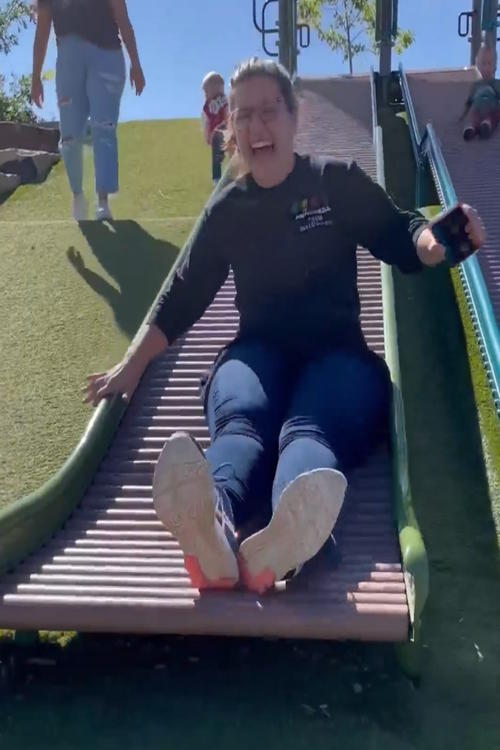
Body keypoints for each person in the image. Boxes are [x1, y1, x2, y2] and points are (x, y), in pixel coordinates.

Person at [85, 58, 485, 595]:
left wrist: (434, 242)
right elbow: (185, 292)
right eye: (242, 115)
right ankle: (217, 530)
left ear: (294, 119)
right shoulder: (229, 207)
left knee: (308, 426)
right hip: (258, 354)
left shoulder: (333, 181)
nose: (255, 127)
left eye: (268, 111)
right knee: (242, 423)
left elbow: (399, 233)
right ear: (231, 132)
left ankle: (290, 537)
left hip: (337, 357)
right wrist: (130, 368)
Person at [30, 0, 146, 221]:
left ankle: (102, 202)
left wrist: (136, 64)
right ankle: (77, 194)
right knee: (70, 135)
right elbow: (42, 29)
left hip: (108, 57)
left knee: (104, 126)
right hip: (69, 57)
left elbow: (122, 19)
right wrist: (35, 76)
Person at [461, 42, 500, 141]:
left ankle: (486, 125)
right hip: (477, 107)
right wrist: (463, 115)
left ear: (494, 67)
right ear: (478, 66)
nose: (486, 68)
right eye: (483, 64)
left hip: (491, 107)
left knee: (494, 115)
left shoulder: (496, 83)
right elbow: (469, 102)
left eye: (489, 64)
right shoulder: (476, 85)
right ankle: (472, 129)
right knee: (474, 116)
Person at [201, 71, 228, 185]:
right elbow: (206, 122)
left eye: (207, 91)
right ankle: (217, 177)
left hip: (226, 131)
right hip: (217, 136)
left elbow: (230, 112)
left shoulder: (226, 100)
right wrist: (207, 135)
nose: (205, 94)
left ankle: (234, 174)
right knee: (217, 157)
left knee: (232, 153)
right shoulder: (207, 107)